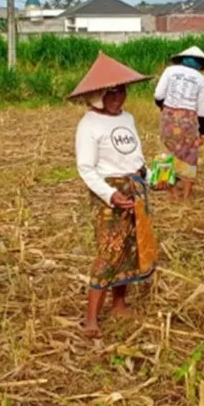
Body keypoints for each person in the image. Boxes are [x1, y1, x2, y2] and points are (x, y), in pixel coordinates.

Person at [71, 52, 159, 339]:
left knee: (131, 250)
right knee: (109, 253)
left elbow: (134, 153)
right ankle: (91, 319)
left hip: (134, 188)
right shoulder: (89, 125)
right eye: (111, 91)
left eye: (122, 90)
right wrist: (110, 195)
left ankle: (119, 304)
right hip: (109, 194)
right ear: (97, 95)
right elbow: (86, 168)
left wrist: (149, 175)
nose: (118, 97)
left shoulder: (128, 118)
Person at [154, 46, 204, 199]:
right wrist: (202, 131)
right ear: (200, 63)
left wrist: (165, 108)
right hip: (189, 120)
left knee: (167, 152)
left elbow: (158, 94)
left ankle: (171, 193)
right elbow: (202, 109)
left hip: (169, 117)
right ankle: (186, 196)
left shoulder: (169, 71)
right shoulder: (201, 79)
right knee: (189, 154)